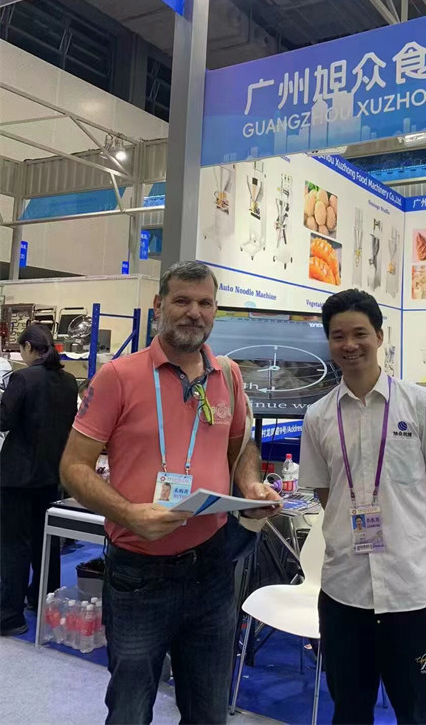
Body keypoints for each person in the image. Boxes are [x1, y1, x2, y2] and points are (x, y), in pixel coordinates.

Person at [60, 260, 280, 725]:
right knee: (130, 708)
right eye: (182, 300)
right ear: (159, 305)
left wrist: (250, 484)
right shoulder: (118, 376)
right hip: (139, 573)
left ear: (215, 310)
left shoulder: (228, 375)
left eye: (204, 303)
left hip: (212, 569)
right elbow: (73, 467)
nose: (194, 312)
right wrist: (130, 513)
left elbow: (241, 447)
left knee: (208, 711)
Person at [299, 289, 426, 725]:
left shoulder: (421, 404)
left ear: (379, 336)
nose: (349, 344)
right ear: (329, 342)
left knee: (417, 711)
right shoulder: (317, 416)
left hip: (410, 589)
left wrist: (416, 538)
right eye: (338, 336)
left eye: (360, 333)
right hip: (344, 590)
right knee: (349, 710)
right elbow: (325, 491)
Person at [0, 324, 78, 635]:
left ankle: (10, 615)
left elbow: (3, 419)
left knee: (13, 545)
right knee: (45, 542)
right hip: (50, 473)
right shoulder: (69, 381)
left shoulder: (23, 378)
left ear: (29, 348)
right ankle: (44, 599)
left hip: (17, 476)